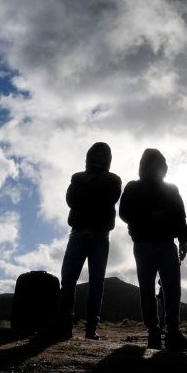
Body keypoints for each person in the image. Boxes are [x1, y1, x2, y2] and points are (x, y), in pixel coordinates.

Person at [119, 148, 187, 351]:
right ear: (145, 165)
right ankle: (154, 330)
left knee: (172, 289)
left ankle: (172, 331)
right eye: (154, 163)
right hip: (143, 244)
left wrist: (184, 240)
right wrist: (148, 216)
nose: (158, 167)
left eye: (160, 163)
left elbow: (180, 216)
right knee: (148, 289)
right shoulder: (133, 187)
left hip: (167, 244)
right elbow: (124, 213)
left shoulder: (172, 189)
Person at [53, 142, 122, 340]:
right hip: (79, 232)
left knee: (96, 282)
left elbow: (109, 198)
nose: (99, 158)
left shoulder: (112, 179)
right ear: (90, 156)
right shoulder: (78, 177)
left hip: (99, 235)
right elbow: (71, 200)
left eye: (103, 155)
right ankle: (65, 324)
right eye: (96, 154)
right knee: (68, 279)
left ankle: (91, 329)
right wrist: (94, 194)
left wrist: (88, 193)